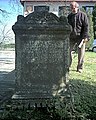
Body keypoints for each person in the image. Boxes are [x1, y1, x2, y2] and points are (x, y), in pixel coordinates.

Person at [67, 1, 89, 73]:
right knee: (68, 52)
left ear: (77, 7)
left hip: (81, 37)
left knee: (81, 53)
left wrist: (85, 37)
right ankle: (68, 66)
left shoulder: (83, 15)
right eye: (71, 8)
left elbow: (86, 27)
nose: (72, 9)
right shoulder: (69, 16)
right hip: (71, 37)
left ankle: (79, 68)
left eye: (73, 8)